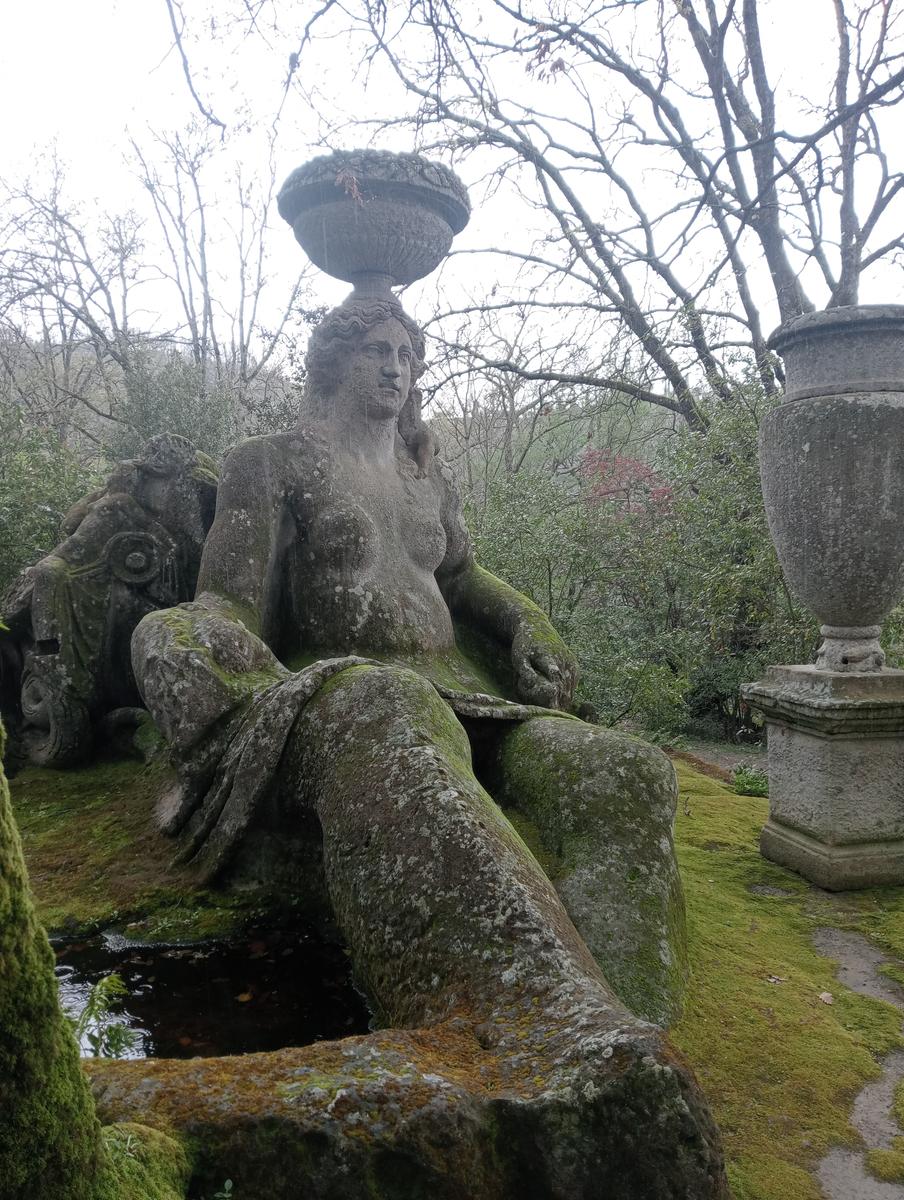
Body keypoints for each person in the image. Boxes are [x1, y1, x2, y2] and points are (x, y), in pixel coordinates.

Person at [133, 295, 685, 1028]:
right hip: (352, 695)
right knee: (402, 712)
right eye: (376, 351)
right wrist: (189, 634)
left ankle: (630, 1027)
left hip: (468, 693)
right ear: (334, 362)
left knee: (627, 771)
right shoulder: (270, 462)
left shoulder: (425, 476)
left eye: (406, 356)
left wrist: (528, 620)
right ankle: (524, 1024)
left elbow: (461, 578)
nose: (395, 368)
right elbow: (228, 599)